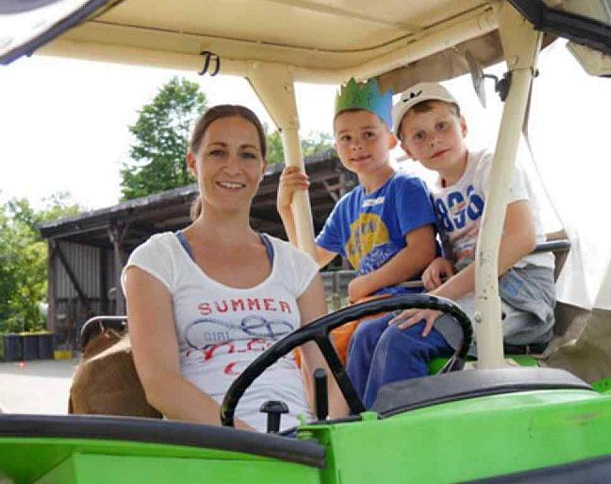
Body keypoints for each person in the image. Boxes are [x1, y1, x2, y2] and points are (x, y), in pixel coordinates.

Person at [123, 105, 344, 432]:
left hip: (300, 447)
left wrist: (333, 438)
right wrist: (255, 444)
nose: (233, 167)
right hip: (212, 447)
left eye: (247, 155)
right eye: (217, 152)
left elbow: (322, 374)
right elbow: (161, 385)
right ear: (192, 163)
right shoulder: (157, 260)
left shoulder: (298, 266)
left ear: (262, 168)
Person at [390, 81, 557, 352]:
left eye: (442, 126)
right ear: (407, 150)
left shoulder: (493, 167)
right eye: (419, 136)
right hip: (476, 286)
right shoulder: (436, 194)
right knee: (376, 332)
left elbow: (522, 238)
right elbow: (461, 251)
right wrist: (443, 260)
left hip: (522, 289)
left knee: (403, 338)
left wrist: (440, 298)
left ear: (463, 126)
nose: (434, 139)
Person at [277, 78, 437, 302]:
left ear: (391, 140)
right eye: (346, 138)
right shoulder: (346, 207)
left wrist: (367, 283)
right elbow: (310, 262)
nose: (357, 145)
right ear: (336, 146)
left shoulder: (405, 187)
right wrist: (285, 208)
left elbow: (422, 251)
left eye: (368, 134)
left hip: (408, 300)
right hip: (369, 304)